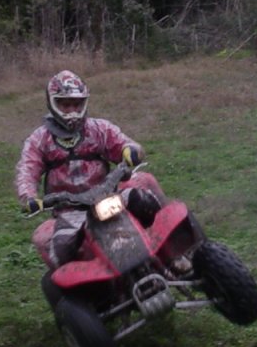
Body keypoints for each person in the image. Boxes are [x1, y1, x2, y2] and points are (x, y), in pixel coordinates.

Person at [15, 69, 166, 267]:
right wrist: (29, 196)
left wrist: (130, 150)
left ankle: (167, 248)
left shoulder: (98, 129)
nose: (72, 110)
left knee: (143, 200)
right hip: (70, 210)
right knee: (61, 251)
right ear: (53, 103)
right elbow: (28, 168)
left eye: (76, 104)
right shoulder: (39, 139)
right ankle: (83, 283)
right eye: (65, 105)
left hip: (108, 196)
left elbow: (121, 142)